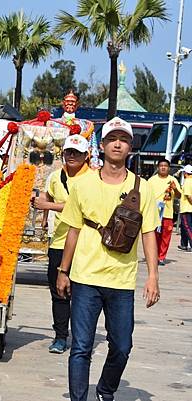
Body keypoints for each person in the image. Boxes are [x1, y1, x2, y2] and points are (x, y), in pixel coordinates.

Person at [56, 117, 160, 401]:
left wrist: (152, 276)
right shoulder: (83, 184)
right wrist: (63, 271)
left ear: (130, 147)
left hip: (122, 279)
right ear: (101, 146)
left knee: (122, 346)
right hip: (85, 276)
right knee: (81, 347)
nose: (118, 143)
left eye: (123, 139)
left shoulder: (144, 188)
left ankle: (105, 390)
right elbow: (73, 230)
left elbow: (149, 233)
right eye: (112, 139)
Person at [33, 134, 91, 354]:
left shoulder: (93, 179)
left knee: (83, 294)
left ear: (87, 155)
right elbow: (46, 200)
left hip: (85, 243)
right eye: (68, 152)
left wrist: (50, 206)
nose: (72, 156)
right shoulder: (56, 177)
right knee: (59, 292)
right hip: (59, 242)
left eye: (77, 152)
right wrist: (42, 212)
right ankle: (60, 336)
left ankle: (81, 337)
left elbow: (78, 208)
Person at [148, 159, 181, 264]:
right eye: (161, 165)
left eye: (165, 166)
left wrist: (175, 189)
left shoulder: (173, 180)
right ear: (158, 167)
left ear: (169, 168)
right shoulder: (151, 180)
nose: (163, 167)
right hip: (154, 214)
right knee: (154, 237)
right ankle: (153, 256)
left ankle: (161, 257)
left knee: (165, 237)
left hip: (167, 214)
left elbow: (179, 196)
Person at [179, 164, 192, 252]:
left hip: (187, 208)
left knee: (187, 227)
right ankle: (183, 244)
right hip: (188, 208)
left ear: (185, 173)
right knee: (184, 227)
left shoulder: (188, 181)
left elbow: (189, 196)